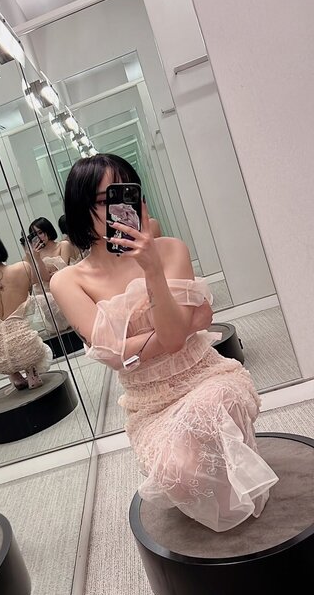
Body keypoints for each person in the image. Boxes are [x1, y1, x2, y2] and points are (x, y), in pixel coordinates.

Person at [51, 153, 277, 532]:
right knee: (179, 471)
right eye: (108, 200)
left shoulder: (170, 250)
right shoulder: (68, 281)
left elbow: (168, 341)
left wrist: (152, 269)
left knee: (213, 410)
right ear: (81, 209)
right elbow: (119, 357)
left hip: (204, 376)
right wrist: (189, 323)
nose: (123, 209)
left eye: (129, 194)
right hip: (149, 403)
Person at [0, 227, 52, 390]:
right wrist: (33, 257)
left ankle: (14, 377)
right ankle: (31, 373)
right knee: (28, 344)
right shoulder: (22, 268)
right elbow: (40, 282)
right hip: (26, 347)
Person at [25, 217, 71, 333]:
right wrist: (35, 258)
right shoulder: (33, 255)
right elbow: (35, 280)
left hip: (62, 290)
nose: (38, 237)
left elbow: (62, 272)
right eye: (34, 235)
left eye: (40, 232)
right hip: (45, 297)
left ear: (48, 230)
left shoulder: (62, 245)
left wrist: (48, 272)